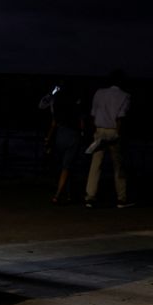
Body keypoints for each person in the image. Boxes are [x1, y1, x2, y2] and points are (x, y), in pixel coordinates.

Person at [84, 70, 133, 208]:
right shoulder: (124, 96)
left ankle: (90, 196)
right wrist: (118, 133)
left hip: (99, 130)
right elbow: (120, 118)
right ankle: (121, 198)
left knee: (96, 164)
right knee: (118, 165)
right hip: (113, 131)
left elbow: (93, 114)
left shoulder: (99, 93)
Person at [43, 84, 84, 204]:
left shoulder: (58, 105)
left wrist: (48, 139)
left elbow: (53, 123)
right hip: (73, 135)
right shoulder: (76, 106)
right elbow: (81, 124)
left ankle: (65, 193)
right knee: (68, 166)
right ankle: (59, 194)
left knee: (62, 165)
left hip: (60, 134)